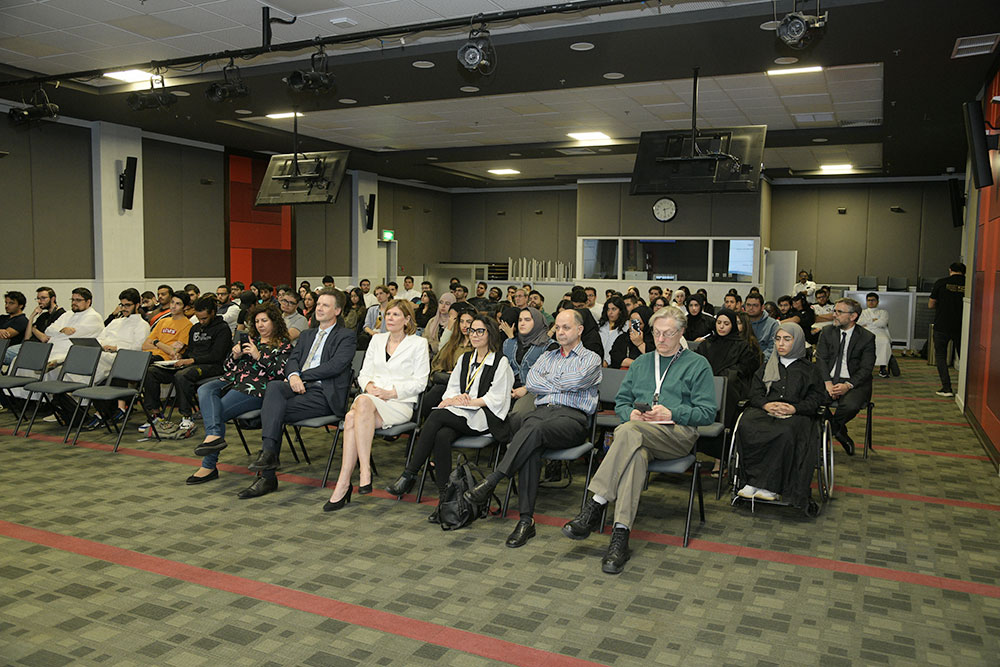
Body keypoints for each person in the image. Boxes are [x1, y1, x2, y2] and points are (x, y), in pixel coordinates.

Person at [561, 306, 716, 574]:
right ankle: (620, 537)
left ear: (681, 333)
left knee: (628, 432)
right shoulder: (643, 362)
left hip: (677, 435)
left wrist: (673, 412)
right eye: (656, 332)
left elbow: (707, 413)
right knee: (635, 454)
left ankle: (596, 503)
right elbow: (622, 402)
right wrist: (629, 413)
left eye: (668, 333)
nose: (661, 339)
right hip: (639, 436)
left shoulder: (697, 364)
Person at [464, 309, 602, 548]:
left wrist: (548, 382)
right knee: (532, 441)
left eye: (566, 327)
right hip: (541, 414)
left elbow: (576, 381)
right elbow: (533, 382)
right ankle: (526, 521)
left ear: (579, 330)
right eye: (557, 327)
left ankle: (494, 479)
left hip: (571, 419)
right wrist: (556, 383)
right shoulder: (548, 356)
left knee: (531, 429)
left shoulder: (591, 358)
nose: (560, 332)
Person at [385, 316, 513, 512]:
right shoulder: (465, 359)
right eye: (472, 331)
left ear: (490, 334)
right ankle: (445, 498)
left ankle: (409, 473)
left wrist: (468, 402)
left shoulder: (500, 361)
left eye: (480, 331)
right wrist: (456, 399)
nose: (475, 335)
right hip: (461, 412)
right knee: (441, 435)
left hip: (484, 416)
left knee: (436, 416)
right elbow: (451, 389)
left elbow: (497, 398)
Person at [242, 288, 357, 499]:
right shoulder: (307, 335)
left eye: (325, 305)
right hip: (297, 388)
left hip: (323, 394)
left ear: (337, 311)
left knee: (272, 412)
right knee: (275, 387)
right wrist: (293, 375)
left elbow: (335, 366)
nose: (319, 308)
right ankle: (268, 457)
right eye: (318, 304)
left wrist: (301, 376)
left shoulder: (346, 336)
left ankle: (267, 475)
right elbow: (292, 359)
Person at [324, 299, 430, 510]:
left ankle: (356, 476)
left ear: (407, 319)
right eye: (388, 314)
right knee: (356, 411)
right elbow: (364, 374)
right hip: (371, 400)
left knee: (353, 414)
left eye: (395, 315)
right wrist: (369, 386)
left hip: (398, 403)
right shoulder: (377, 340)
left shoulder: (418, 343)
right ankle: (352, 478)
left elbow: (421, 382)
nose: (390, 318)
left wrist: (391, 392)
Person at [187, 303, 293, 485]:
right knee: (204, 389)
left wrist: (259, 356)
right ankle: (214, 436)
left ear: (275, 322)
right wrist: (234, 356)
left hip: (256, 388)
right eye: (257, 321)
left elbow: (280, 373)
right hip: (232, 380)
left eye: (264, 321)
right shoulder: (251, 340)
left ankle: (208, 466)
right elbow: (227, 367)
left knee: (217, 412)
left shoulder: (284, 346)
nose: (260, 325)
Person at [732, 321, 826, 509]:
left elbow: (816, 398)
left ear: (797, 341)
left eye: (787, 339)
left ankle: (771, 486)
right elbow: (755, 393)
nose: (781, 344)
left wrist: (794, 408)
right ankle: (751, 481)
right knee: (748, 426)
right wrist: (766, 404)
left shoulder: (810, 370)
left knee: (784, 431)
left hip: (797, 415)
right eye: (777, 339)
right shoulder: (767, 366)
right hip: (766, 411)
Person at [141, 295, 232, 437]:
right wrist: (180, 357)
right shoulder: (195, 328)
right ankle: (156, 415)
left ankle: (186, 417)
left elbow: (217, 356)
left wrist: (190, 360)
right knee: (152, 372)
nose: (201, 322)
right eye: (199, 318)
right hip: (191, 364)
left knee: (182, 375)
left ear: (213, 313)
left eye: (204, 318)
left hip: (212, 366)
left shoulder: (222, 329)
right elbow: (190, 351)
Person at [814, 298, 876, 456]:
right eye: (834, 311)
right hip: (828, 379)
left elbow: (866, 368)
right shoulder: (827, 332)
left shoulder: (866, 337)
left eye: (839, 312)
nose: (834, 315)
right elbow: (820, 359)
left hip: (854, 382)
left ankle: (831, 430)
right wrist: (827, 383)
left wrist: (848, 385)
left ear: (853, 316)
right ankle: (840, 432)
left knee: (850, 406)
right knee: (811, 401)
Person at [695, 308, 760, 442]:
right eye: (719, 323)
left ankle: (722, 445)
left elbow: (747, 367)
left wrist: (724, 375)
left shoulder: (742, 345)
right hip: (707, 383)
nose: (721, 327)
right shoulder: (707, 344)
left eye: (726, 323)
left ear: (733, 325)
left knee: (727, 386)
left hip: (732, 385)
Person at [502, 306, 553, 423]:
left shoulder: (549, 346)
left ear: (537, 322)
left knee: (518, 414)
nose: (522, 323)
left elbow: (549, 375)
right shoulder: (509, 343)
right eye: (520, 320)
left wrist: (526, 388)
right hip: (508, 389)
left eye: (527, 320)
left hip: (534, 391)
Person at [40, 288, 104, 366]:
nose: (74, 303)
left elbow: (73, 337)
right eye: (72, 300)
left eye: (78, 300)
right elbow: (48, 331)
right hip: (54, 350)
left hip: (72, 354)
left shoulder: (94, 317)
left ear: (88, 302)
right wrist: (62, 330)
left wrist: (55, 334)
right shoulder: (68, 314)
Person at [929, 262, 965, 397]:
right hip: (961, 326)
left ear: (950, 270)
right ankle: (966, 389)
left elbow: (931, 304)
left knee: (940, 356)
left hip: (942, 325)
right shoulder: (969, 284)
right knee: (964, 357)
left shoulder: (941, 282)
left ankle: (947, 388)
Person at [858, 293, 893, 378]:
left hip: (880, 332)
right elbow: (859, 323)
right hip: (866, 332)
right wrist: (873, 320)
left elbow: (882, 323)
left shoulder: (883, 312)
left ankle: (882, 368)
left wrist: (867, 323)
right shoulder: (862, 312)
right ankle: (865, 368)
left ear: (877, 301)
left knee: (884, 341)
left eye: (873, 300)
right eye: (869, 300)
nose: (871, 302)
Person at [745, 293, 778, 363]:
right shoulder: (741, 322)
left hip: (764, 362)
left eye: (755, 305)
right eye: (748, 305)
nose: (751, 308)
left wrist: (759, 360)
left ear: (762, 307)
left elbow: (772, 348)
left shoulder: (773, 324)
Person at [598, 296, 627, 366]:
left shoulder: (626, 327)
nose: (610, 312)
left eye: (614, 309)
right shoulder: (600, 325)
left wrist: (607, 361)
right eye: (608, 309)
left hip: (614, 364)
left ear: (620, 311)